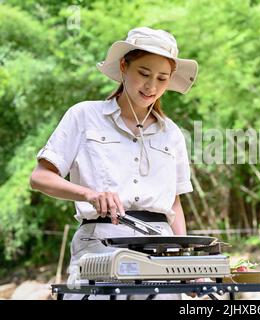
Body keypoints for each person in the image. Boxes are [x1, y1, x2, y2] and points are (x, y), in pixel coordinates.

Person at [29, 27, 198, 299]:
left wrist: (185, 263)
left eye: (162, 78)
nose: (151, 86)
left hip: (161, 249)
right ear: (123, 66)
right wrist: (89, 194)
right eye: (143, 73)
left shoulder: (172, 133)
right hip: (100, 244)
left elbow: (174, 203)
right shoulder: (84, 116)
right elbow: (40, 178)